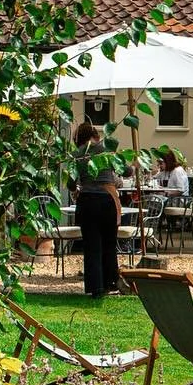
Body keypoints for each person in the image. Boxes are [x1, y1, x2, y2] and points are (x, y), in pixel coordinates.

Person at [73, 121, 121, 298]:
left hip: (87, 201)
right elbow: (126, 171)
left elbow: (71, 182)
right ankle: (111, 282)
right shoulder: (106, 150)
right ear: (95, 136)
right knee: (109, 243)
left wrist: (76, 189)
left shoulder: (77, 154)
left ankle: (96, 288)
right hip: (107, 200)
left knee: (92, 245)